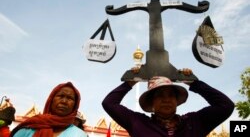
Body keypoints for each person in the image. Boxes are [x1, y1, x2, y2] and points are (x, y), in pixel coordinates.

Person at [102, 68, 235, 137]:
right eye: (160, 95)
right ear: (151, 102)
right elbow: (109, 103)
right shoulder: (139, 123)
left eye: (171, 95)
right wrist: (131, 81)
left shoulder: (194, 123)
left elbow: (225, 105)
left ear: (177, 101)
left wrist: (194, 83)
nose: (166, 99)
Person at [11, 82, 88, 137]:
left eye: (70, 98)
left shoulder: (80, 135)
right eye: (60, 96)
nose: (64, 101)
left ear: (75, 105)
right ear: (51, 100)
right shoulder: (28, 129)